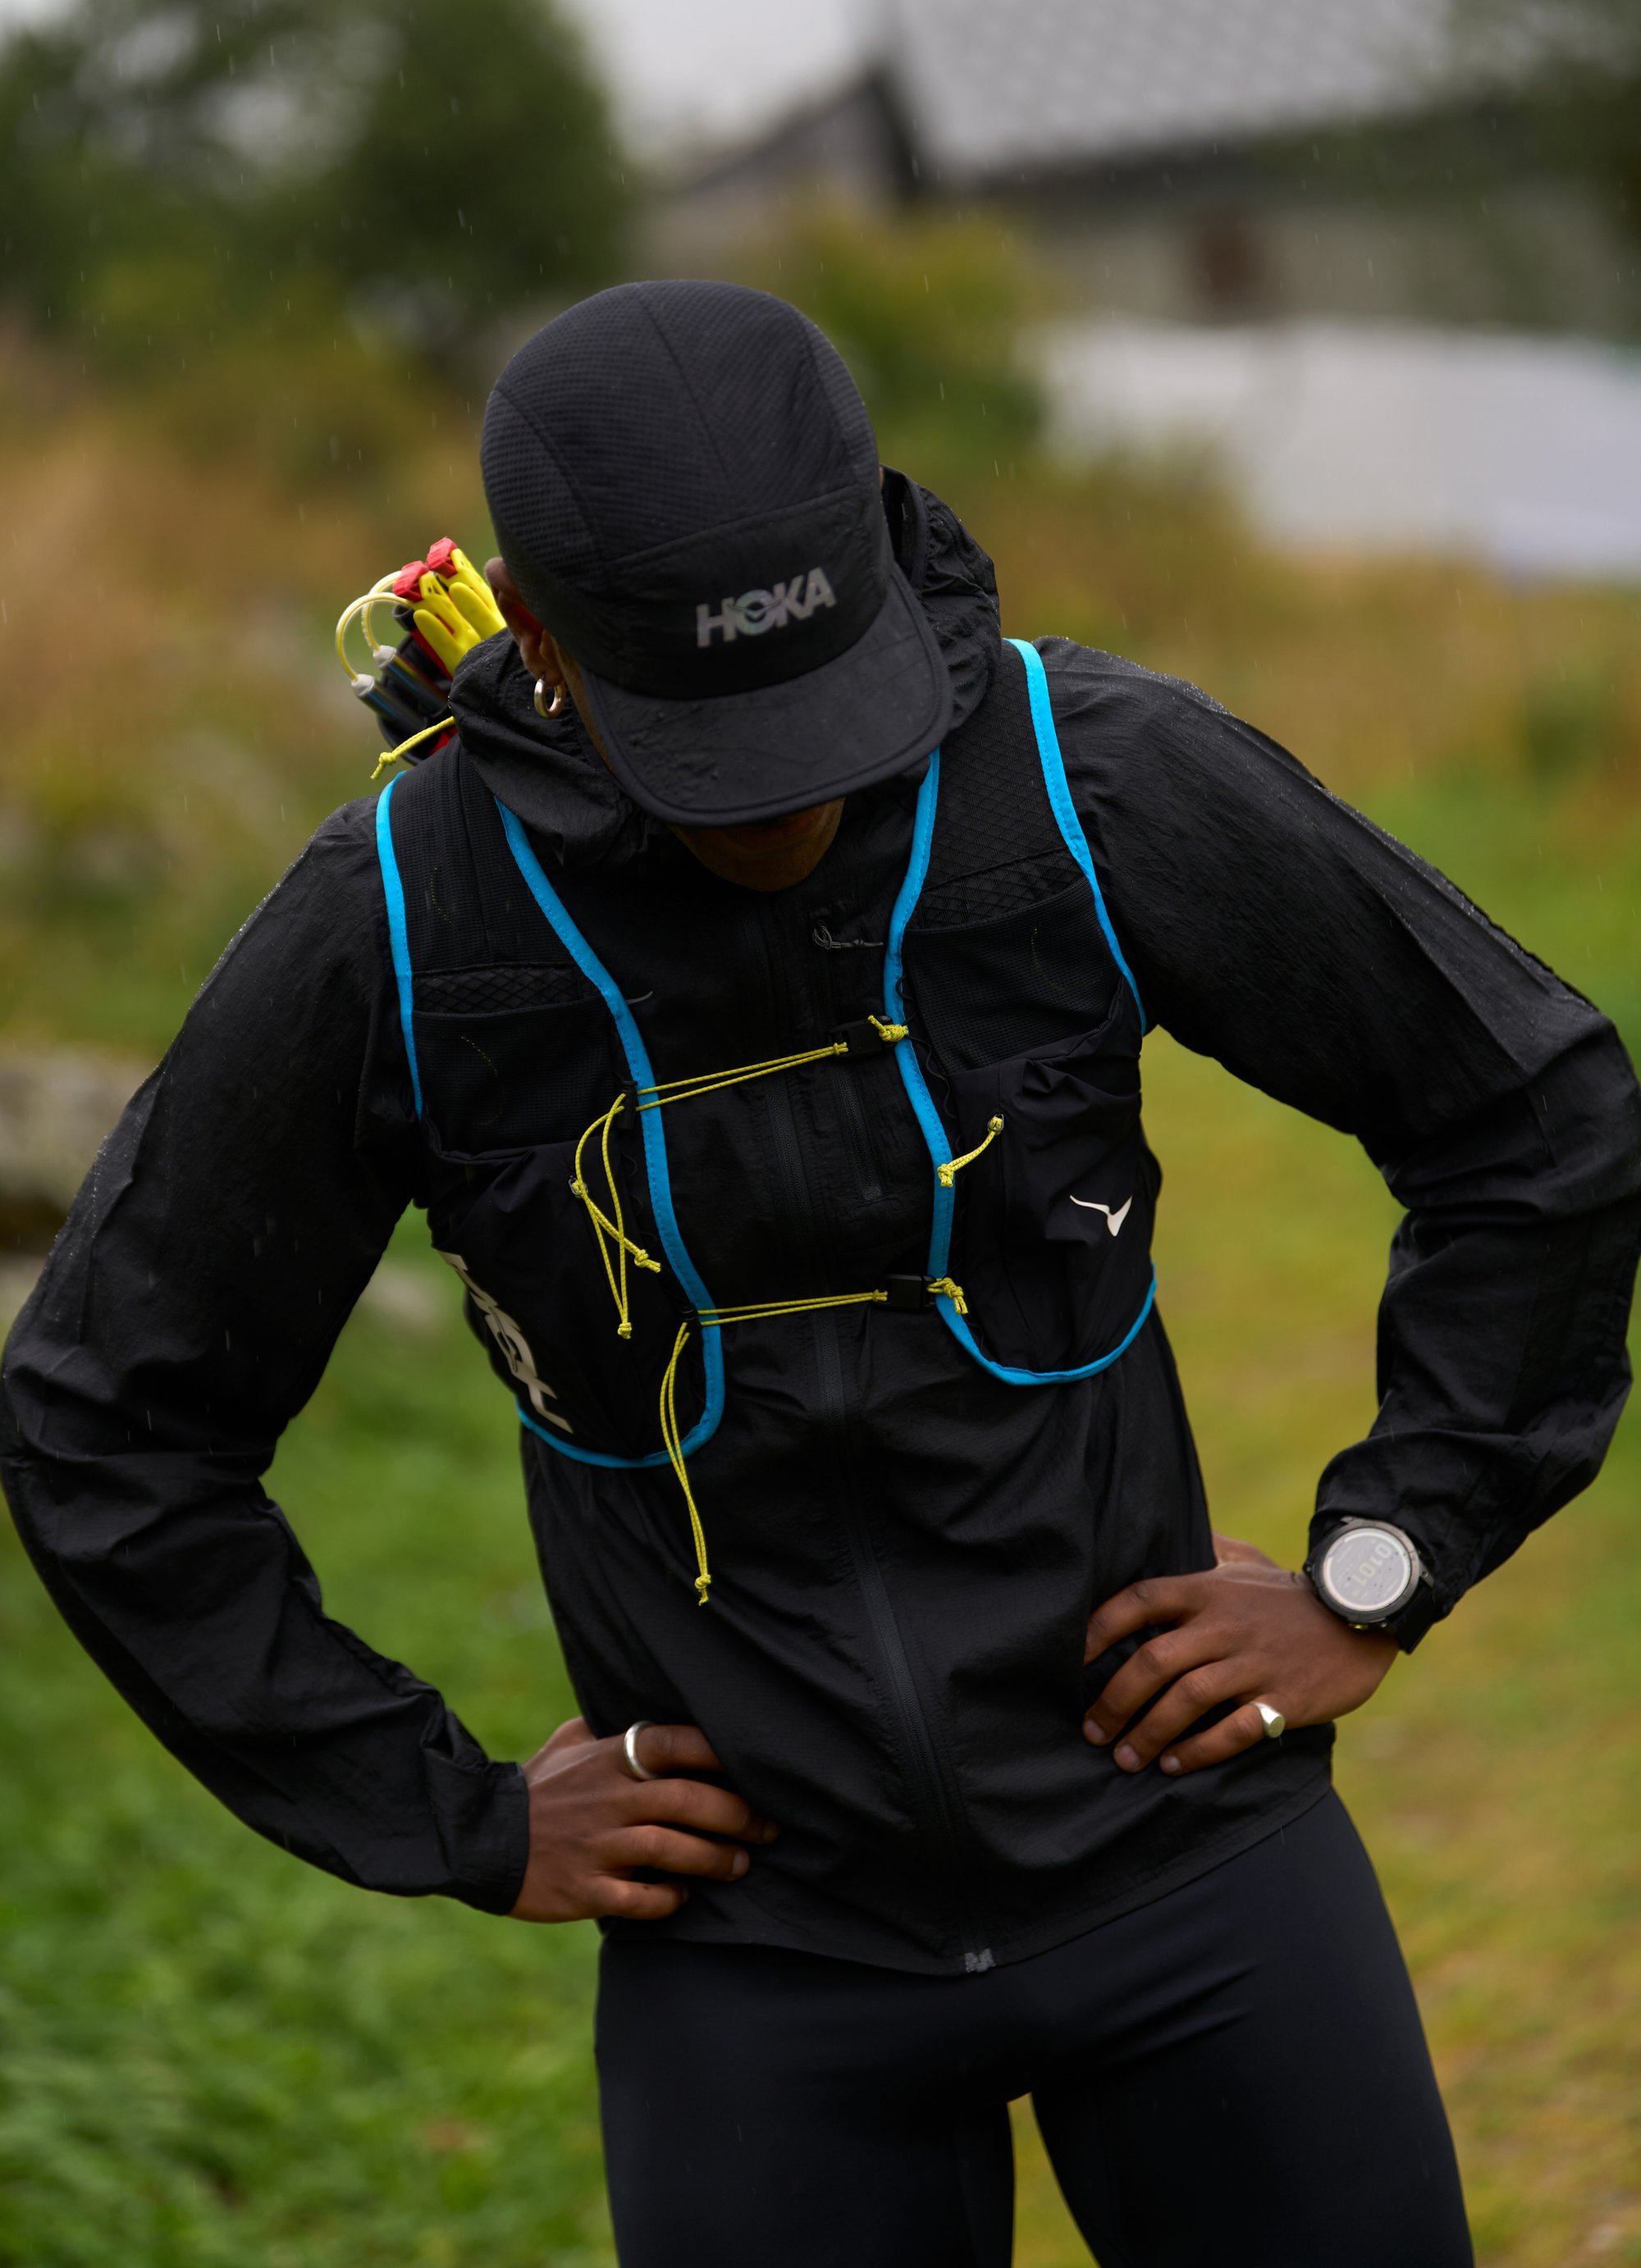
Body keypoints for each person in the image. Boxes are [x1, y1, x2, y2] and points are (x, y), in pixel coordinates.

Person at [4, 281, 1639, 2268]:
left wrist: (1389, 1556)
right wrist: (451, 1809)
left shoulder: (1079, 777)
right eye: (719, 746)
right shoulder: (407, 928)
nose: (787, 800)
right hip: (766, 1976)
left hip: (1192, 1867)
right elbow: (108, 1416)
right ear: (539, 640)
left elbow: (1530, 1111)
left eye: (819, 715)